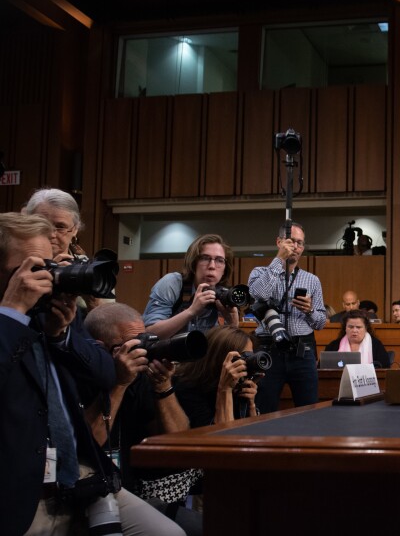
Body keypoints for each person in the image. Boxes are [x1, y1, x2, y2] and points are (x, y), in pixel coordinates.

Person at [0, 212, 183, 536]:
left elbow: (105, 372)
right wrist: (12, 313)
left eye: (48, 265)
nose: (45, 279)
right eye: (30, 269)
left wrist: (60, 334)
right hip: (16, 486)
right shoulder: (13, 317)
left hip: (77, 472)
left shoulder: (49, 317)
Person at [83, 303, 202, 535]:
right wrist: (119, 383)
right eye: (132, 346)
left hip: (127, 493)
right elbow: (88, 446)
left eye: (144, 342)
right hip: (84, 490)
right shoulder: (81, 379)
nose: (142, 353)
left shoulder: (139, 381)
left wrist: (163, 387)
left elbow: (177, 443)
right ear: (100, 349)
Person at [247, 222, 326, 412]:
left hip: (303, 351)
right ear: (279, 242)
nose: (296, 247)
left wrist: (309, 311)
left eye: (300, 243)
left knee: (309, 409)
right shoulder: (259, 273)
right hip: (269, 348)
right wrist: (278, 261)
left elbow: (321, 322)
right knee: (263, 407)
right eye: (291, 242)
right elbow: (258, 295)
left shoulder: (312, 280)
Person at [143, 234, 239, 339]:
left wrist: (233, 325)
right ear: (193, 263)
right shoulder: (173, 283)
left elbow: (222, 348)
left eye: (219, 260)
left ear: (225, 269)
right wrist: (191, 311)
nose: (212, 266)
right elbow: (150, 333)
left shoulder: (223, 295)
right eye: (205, 258)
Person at [174, 325, 260, 427]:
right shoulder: (187, 388)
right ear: (220, 358)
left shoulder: (238, 386)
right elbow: (224, 438)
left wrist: (251, 407)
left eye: (250, 356)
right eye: (243, 357)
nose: (246, 363)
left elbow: (254, 433)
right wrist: (225, 390)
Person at [324, 309, 391, 368]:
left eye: (358, 327)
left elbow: (385, 368)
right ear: (345, 328)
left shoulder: (376, 345)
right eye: (351, 327)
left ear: (366, 328)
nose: (354, 330)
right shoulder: (333, 346)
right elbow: (322, 368)